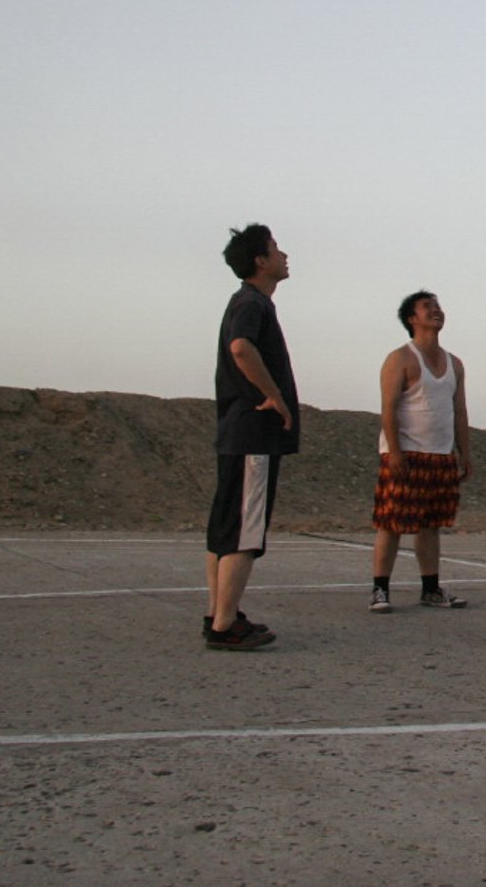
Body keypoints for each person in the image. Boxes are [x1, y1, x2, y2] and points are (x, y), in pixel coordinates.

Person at [206, 223, 298, 651]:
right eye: (276, 249)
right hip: (252, 435)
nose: (284, 254)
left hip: (235, 433)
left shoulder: (247, 302)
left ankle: (219, 613)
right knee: (245, 531)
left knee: (225, 531)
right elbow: (241, 348)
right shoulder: (251, 302)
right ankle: (226, 626)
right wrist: (274, 395)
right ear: (260, 261)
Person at [370, 289, 471, 613]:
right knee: (392, 524)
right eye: (428, 307)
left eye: (438, 306)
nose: (436, 311)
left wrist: (464, 453)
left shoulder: (455, 364)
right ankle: (380, 590)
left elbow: (460, 411)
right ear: (412, 318)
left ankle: (431, 589)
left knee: (431, 524)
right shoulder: (399, 358)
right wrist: (395, 451)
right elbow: (388, 407)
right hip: (405, 455)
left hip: (440, 456)